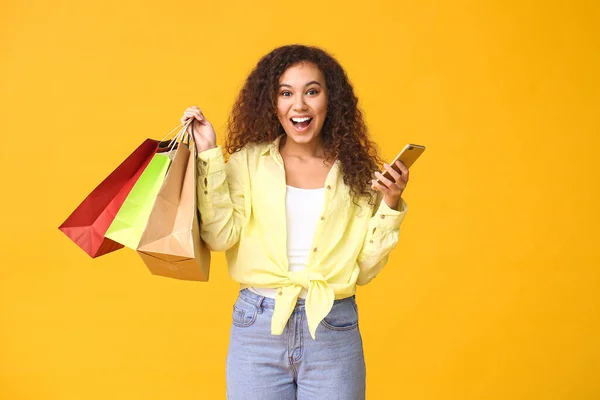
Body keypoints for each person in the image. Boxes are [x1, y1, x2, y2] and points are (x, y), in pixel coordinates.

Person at [181, 44, 410, 400]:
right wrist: (209, 151)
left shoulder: (356, 174)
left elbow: (364, 270)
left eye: (312, 92)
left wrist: (390, 203)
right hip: (258, 326)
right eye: (286, 93)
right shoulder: (247, 163)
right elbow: (220, 236)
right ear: (272, 103)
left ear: (330, 101)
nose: (299, 105)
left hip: (333, 326)